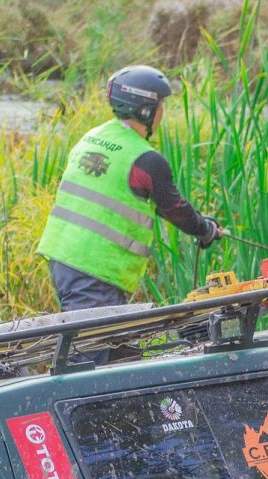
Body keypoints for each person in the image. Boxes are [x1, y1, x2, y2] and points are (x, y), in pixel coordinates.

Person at [35, 65, 224, 312]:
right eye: (161, 105)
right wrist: (205, 229)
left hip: (64, 257)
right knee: (92, 347)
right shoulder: (145, 160)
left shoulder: (92, 137)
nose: (162, 113)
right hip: (95, 268)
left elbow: (122, 195)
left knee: (117, 346)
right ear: (145, 109)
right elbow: (174, 207)